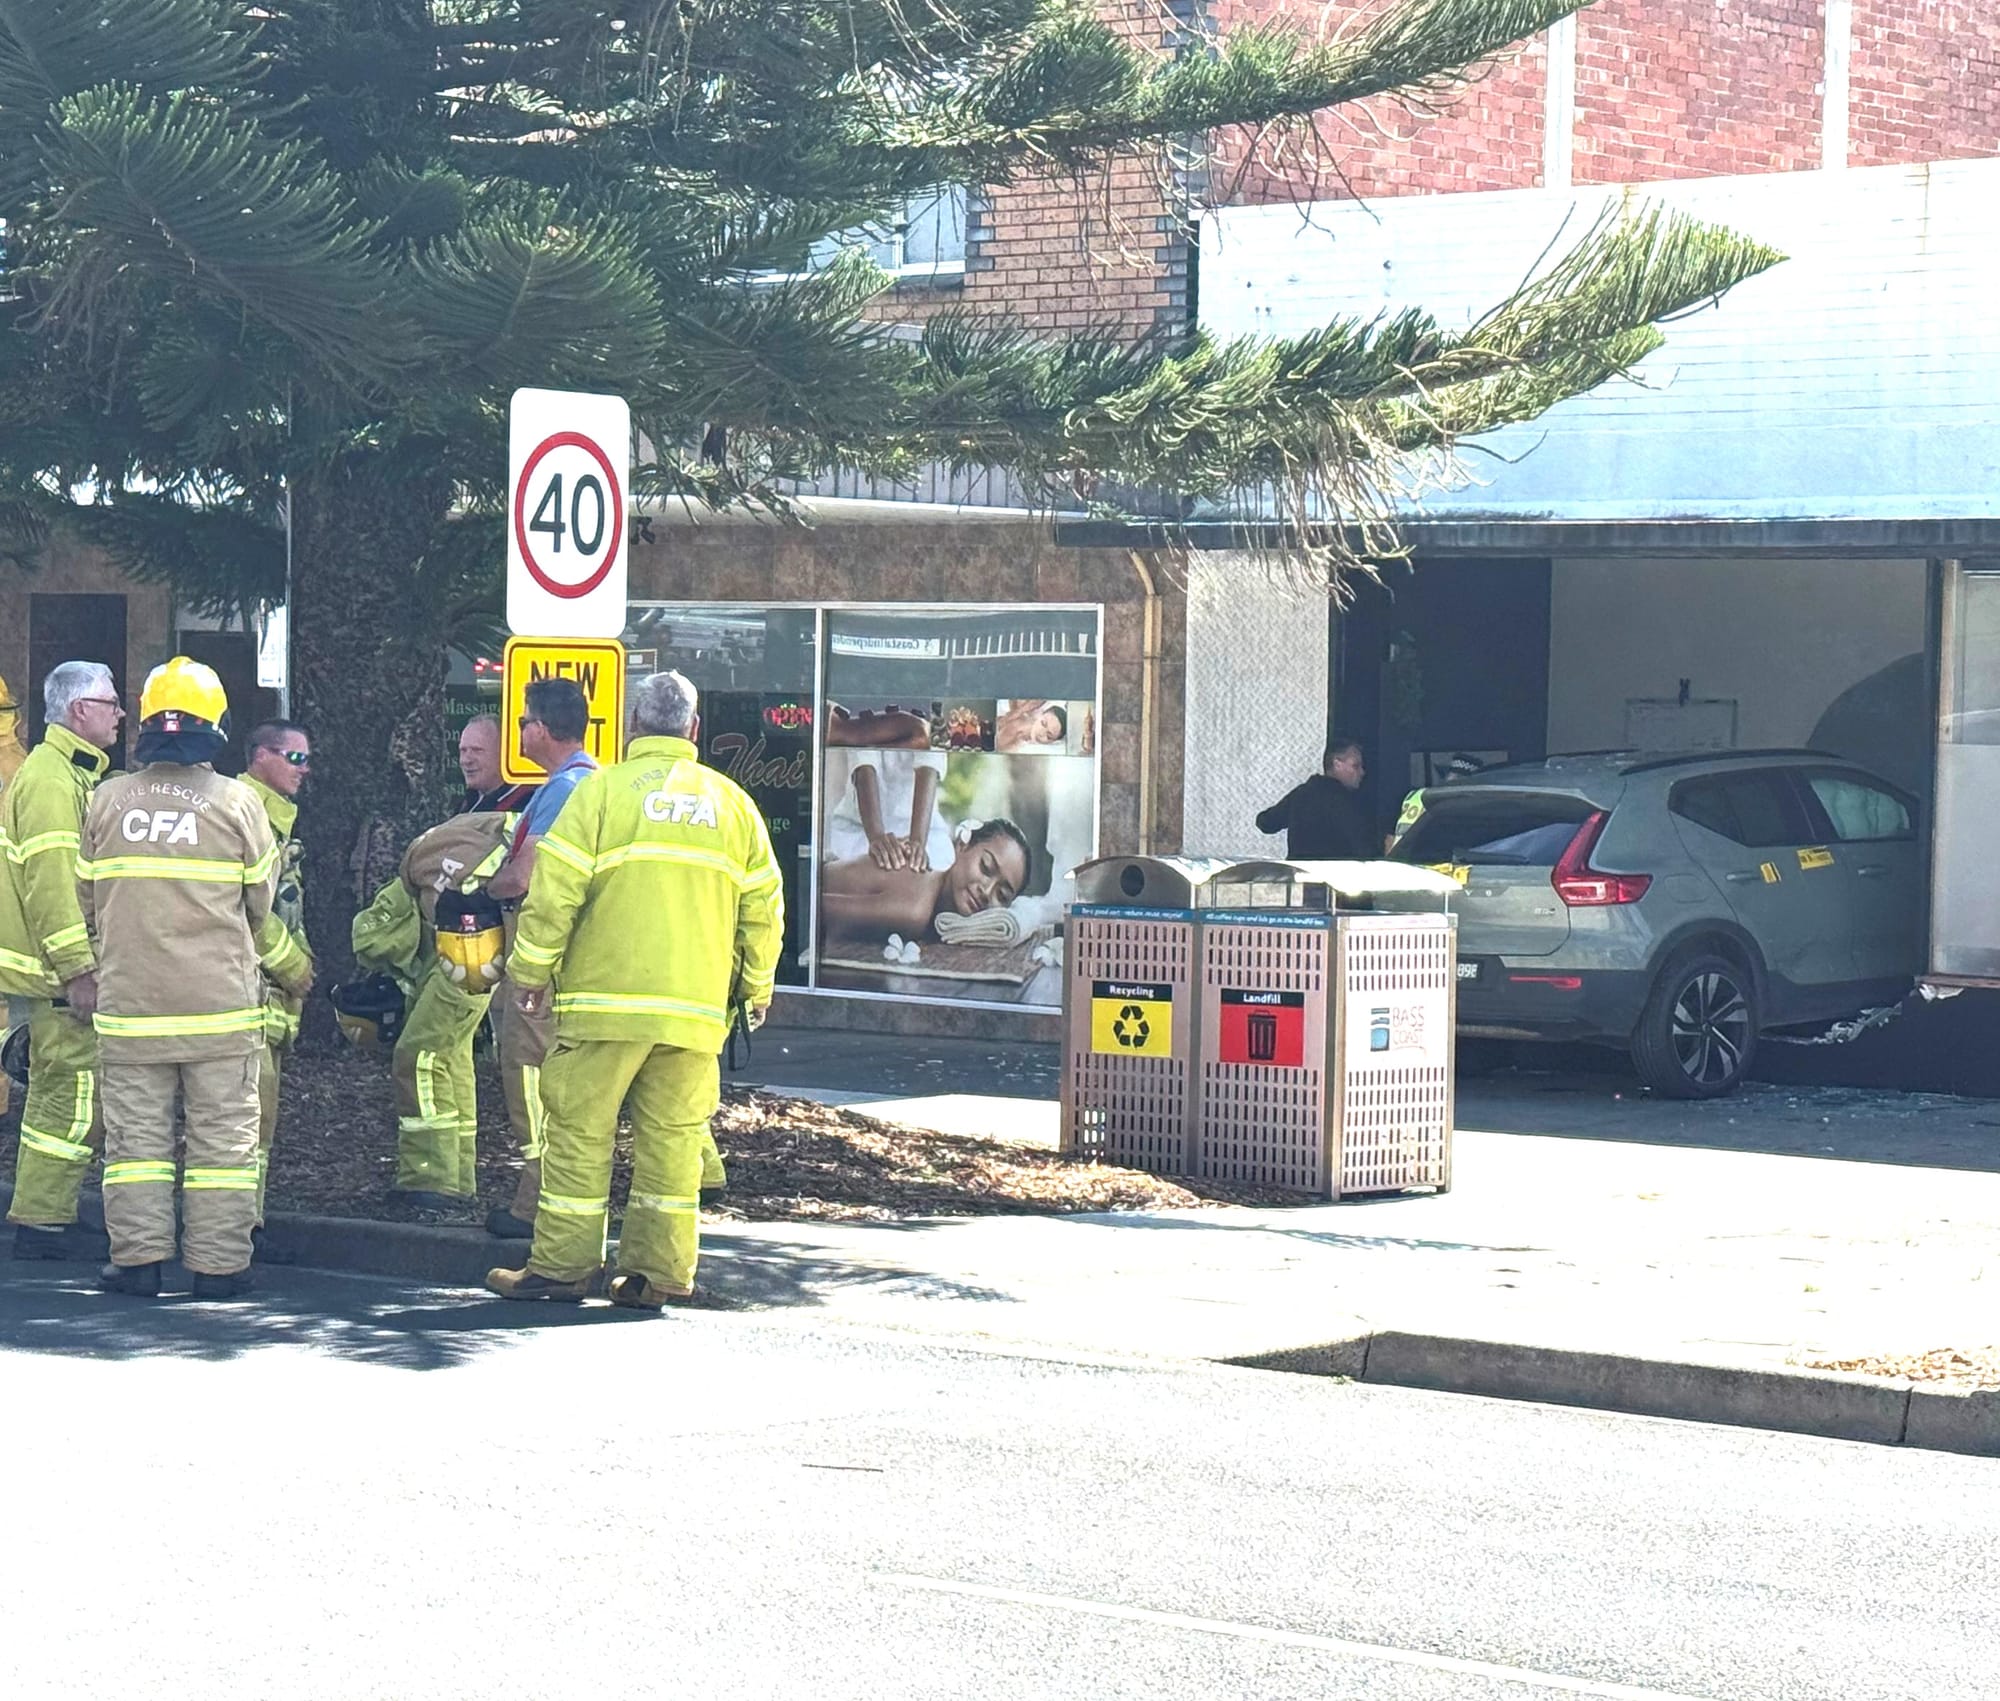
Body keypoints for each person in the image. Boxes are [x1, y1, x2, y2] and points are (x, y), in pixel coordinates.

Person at [487, 669, 783, 1310]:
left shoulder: (601, 795)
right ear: (694, 729)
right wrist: (755, 989)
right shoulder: (734, 806)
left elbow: (554, 895)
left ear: (629, 728)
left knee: (579, 1137)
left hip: (603, 1008)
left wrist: (530, 977)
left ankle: (563, 1269)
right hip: (694, 1014)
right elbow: (763, 909)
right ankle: (659, 1275)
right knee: (674, 1146)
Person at [81, 658, 311, 1298]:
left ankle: (138, 1263)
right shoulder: (237, 803)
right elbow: (262, 904)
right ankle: (217, 1268)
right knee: (221, 1148)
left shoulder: (106, 801)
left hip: (131, 1009)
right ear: (215, 725)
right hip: (219, 1013)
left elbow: (85, 901)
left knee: (135, 1145)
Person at [1, 661, 122, 1259]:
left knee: (64, 1091)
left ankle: (45, 1214)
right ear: (80, 711)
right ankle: (43, 1222)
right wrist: (78, 968)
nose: (120, 714)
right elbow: (53, 884)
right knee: (68, 1095)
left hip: (47, 968)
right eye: (111, 703)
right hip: (56, 973)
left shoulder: (64, 773)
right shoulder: (52, 780)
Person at [482, 678, 597, 1240]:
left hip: (540, 965)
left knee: (529, 1076)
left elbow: (527, 876)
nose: (519, 730)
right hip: (574, 963)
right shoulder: (593, 784)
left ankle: (534, 1204)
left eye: (524, 720)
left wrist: (481, 892)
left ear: (545, 729)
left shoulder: (562, 790)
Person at [240, 720, 315, 1237]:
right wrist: (295, 968)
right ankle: (240, 1225)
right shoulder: (247, 814)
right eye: (294, 758)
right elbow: (253, 913)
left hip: (270, 996)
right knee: (247, 1119)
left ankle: (249, 1219)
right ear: (260, 756)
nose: (304, 769)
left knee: (258, 1117)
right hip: (252, 992)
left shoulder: (274, 816)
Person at [819, 819, 1031, 945]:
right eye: (986, 867)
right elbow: (810, 907)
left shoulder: (934, 911)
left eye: (1001, 895)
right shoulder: (915, 911)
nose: (986, 891)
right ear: (962, 846)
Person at [1255, 737, 1377, 861]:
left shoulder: (1302, 793)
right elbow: (1365, 849)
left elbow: (1266, 822)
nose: (1362, 772)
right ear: (1337, 764)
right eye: (1355, 766)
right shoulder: (1346, 802)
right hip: (1333, 877)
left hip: (1299, 874)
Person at [1391, 752, 1486, 848]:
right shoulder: (1450, 805)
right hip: (1421, 856)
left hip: (1402, 855)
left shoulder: (1413, 795)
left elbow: (1390, 837)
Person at [457, 713, 535, 814]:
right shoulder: (468, 803)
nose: (466, 760)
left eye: (477, 750)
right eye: (463, 750)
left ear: (504, 753)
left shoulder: (527, 803)